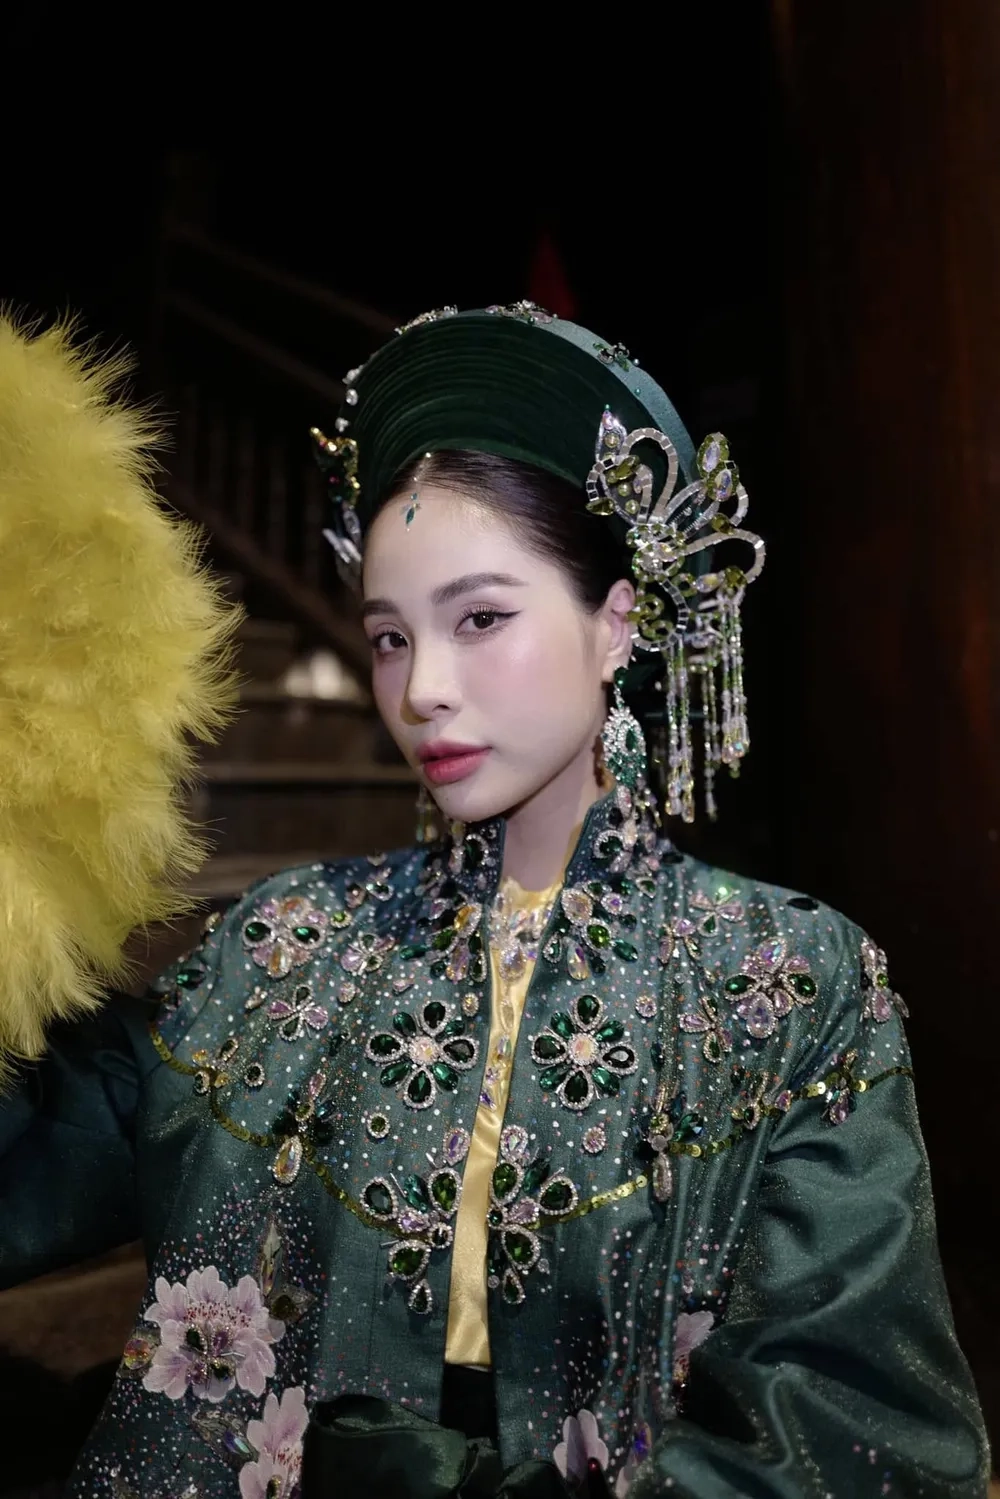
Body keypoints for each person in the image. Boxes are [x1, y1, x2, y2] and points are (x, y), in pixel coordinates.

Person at [0, 307, 988, 1498]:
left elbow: (857, 1443)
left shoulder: (785, 981)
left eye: (480, 618)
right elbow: (37, 1151)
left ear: (616, 621)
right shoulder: (280, 947)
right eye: (388, 635)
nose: (422, 687)